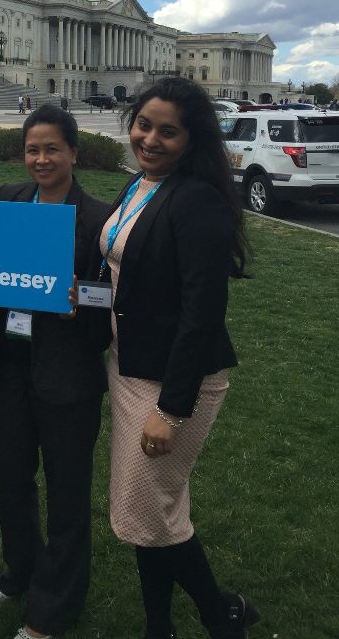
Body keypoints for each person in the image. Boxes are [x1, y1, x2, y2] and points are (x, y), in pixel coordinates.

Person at [84, 77, 258, 639]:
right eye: (143, 125)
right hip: (128, 363)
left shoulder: (196, 199)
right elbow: (124, 272)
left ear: (192, 139)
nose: (150, 139)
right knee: (155, 506)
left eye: (168, 131)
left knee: (145, 508)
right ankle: (159, 621)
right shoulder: (141, 185)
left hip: (174, 381)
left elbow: (201, 311)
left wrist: (172, 407)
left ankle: (217, 607)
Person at [0, 104, 109, 639]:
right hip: (9, 363)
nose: (41, 159)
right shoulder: (10, 199)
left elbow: (117, 297)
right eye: (33, 149)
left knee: (66, 489)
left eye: (52, 148)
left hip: (69, 372)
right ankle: (21, 569)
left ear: (74, 152)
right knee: (9, 471)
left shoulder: (100, 217)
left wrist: (88, 298)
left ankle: (53, 608)